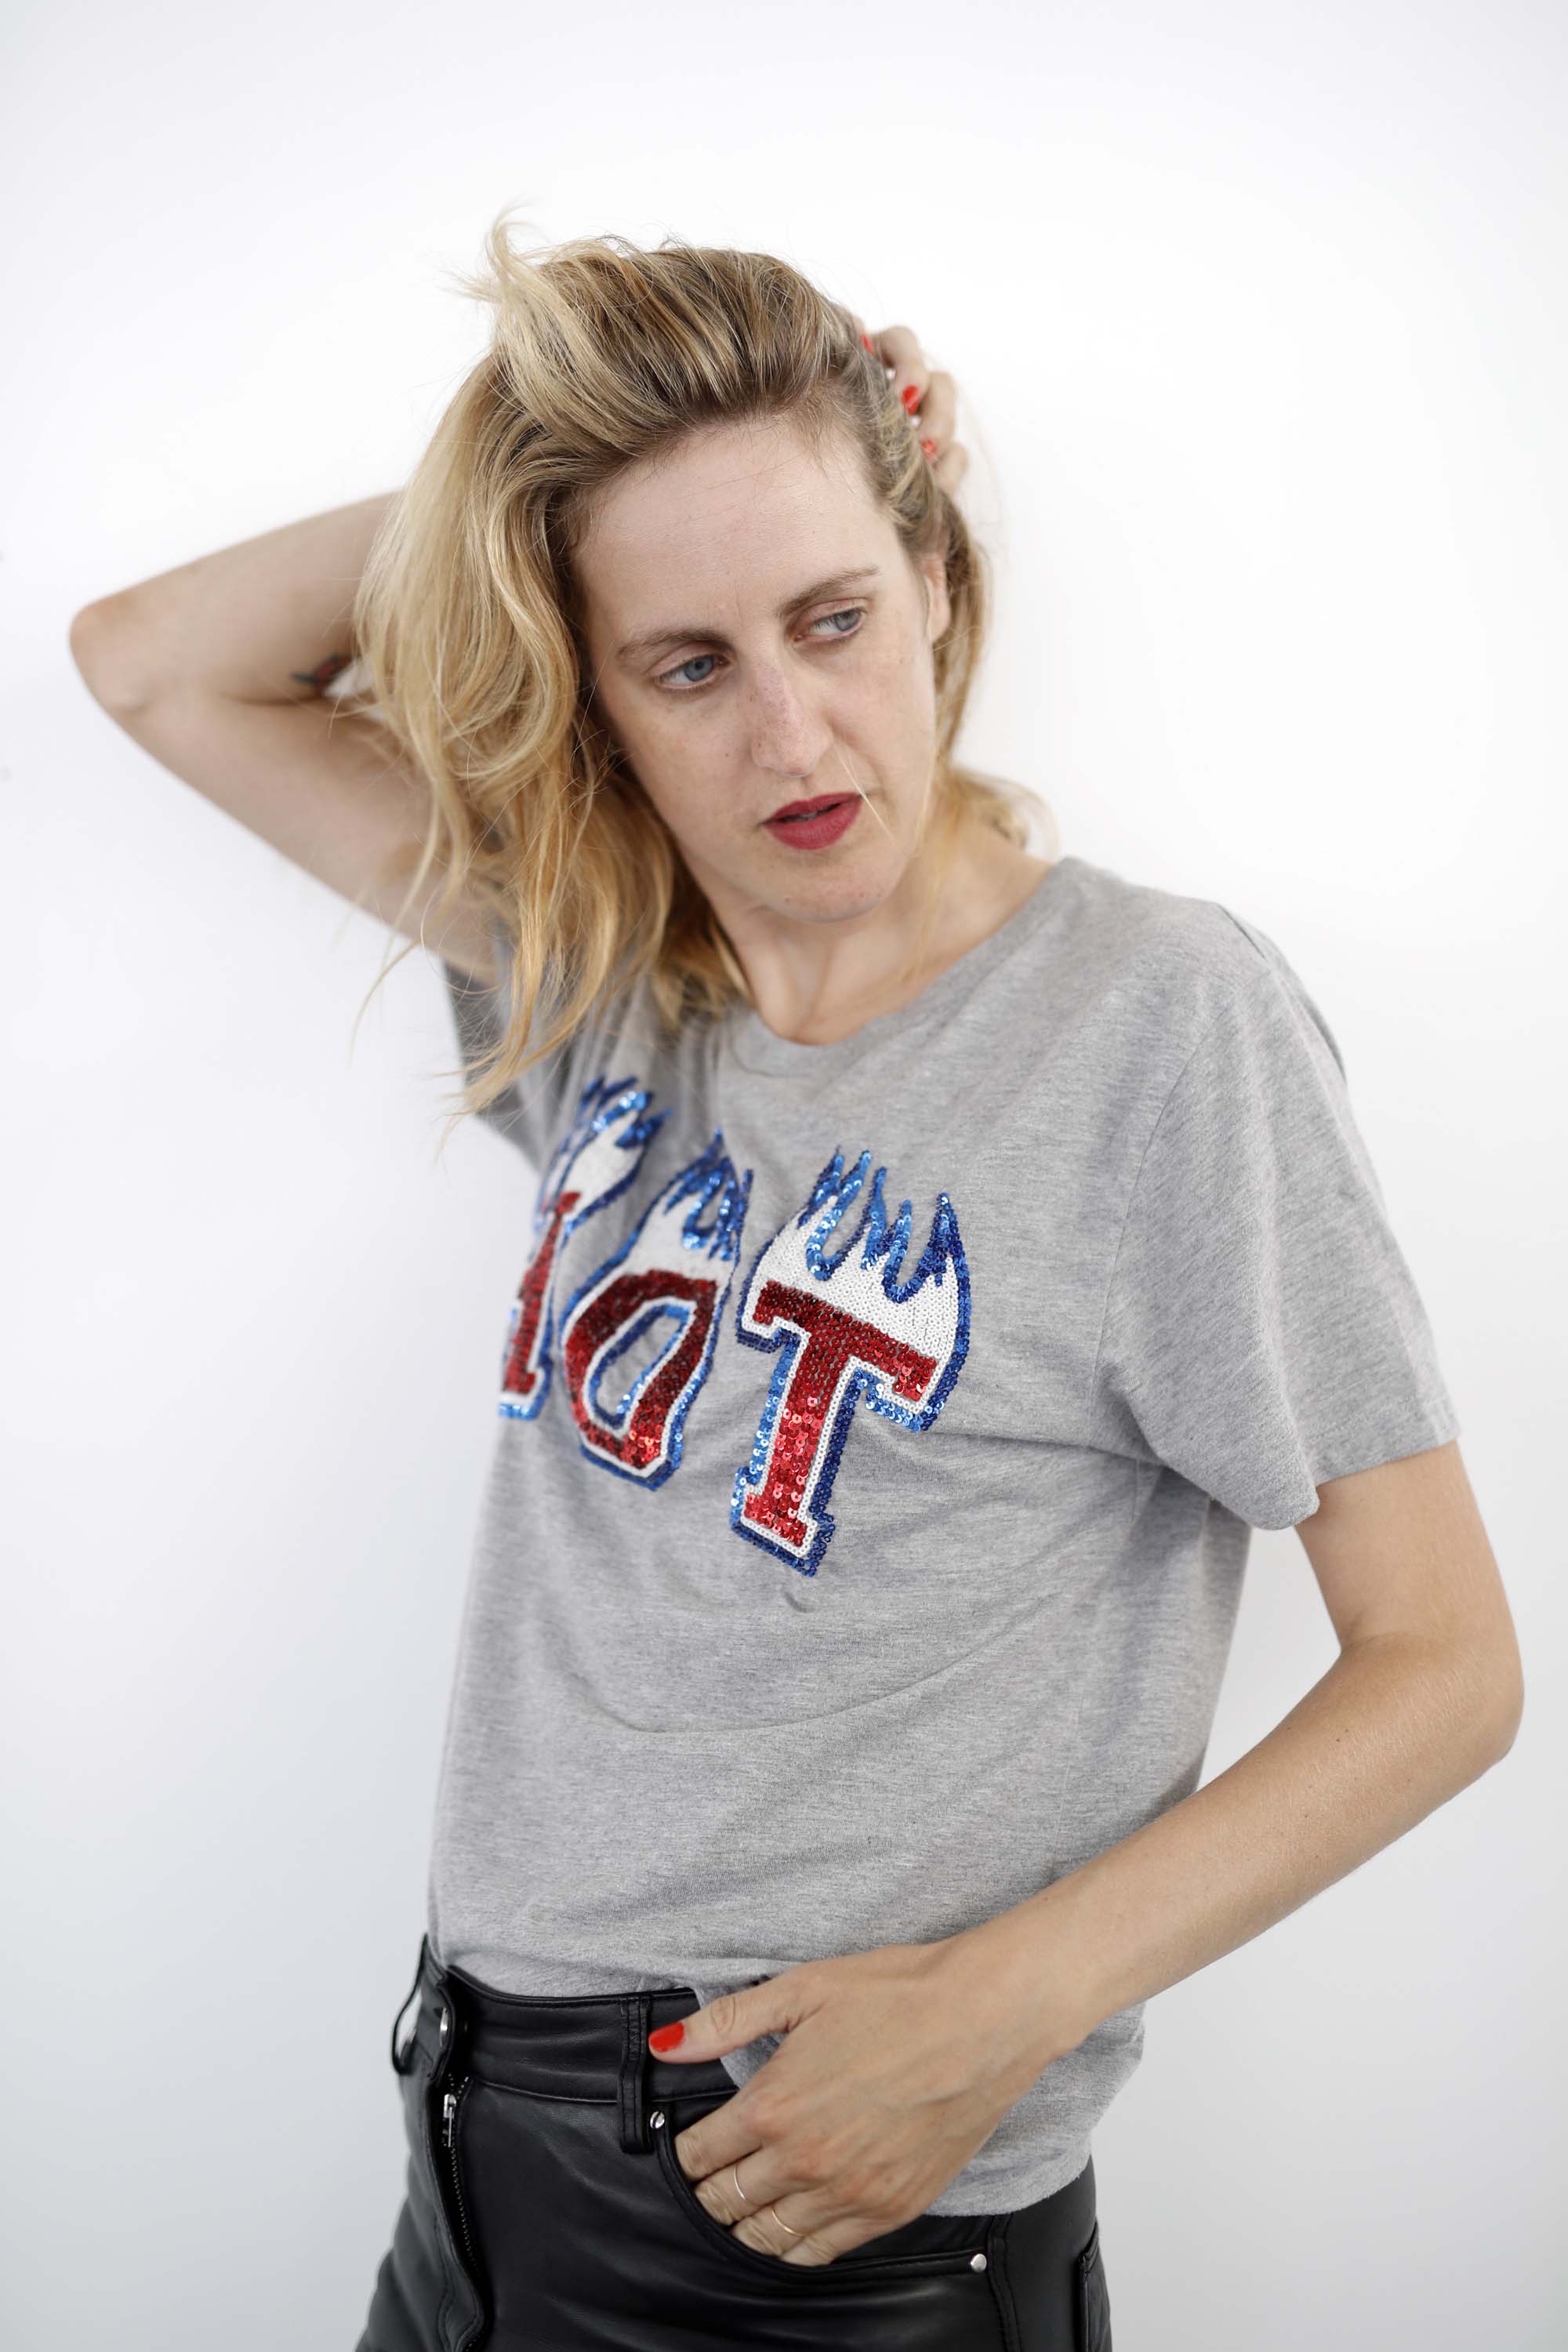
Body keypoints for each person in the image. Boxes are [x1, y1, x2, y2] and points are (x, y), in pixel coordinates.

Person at [69, 220, 1523, 2352]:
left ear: (936, 584)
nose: (796, 730)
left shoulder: (1153, 1024)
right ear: (596, 691)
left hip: (818, 2222)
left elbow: (1446, 1667)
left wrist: (1000, 2007)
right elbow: (155, 661)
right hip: (473, 2162)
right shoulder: (610, 980)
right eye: (690, 663)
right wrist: (527, 506)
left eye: (835, 614)